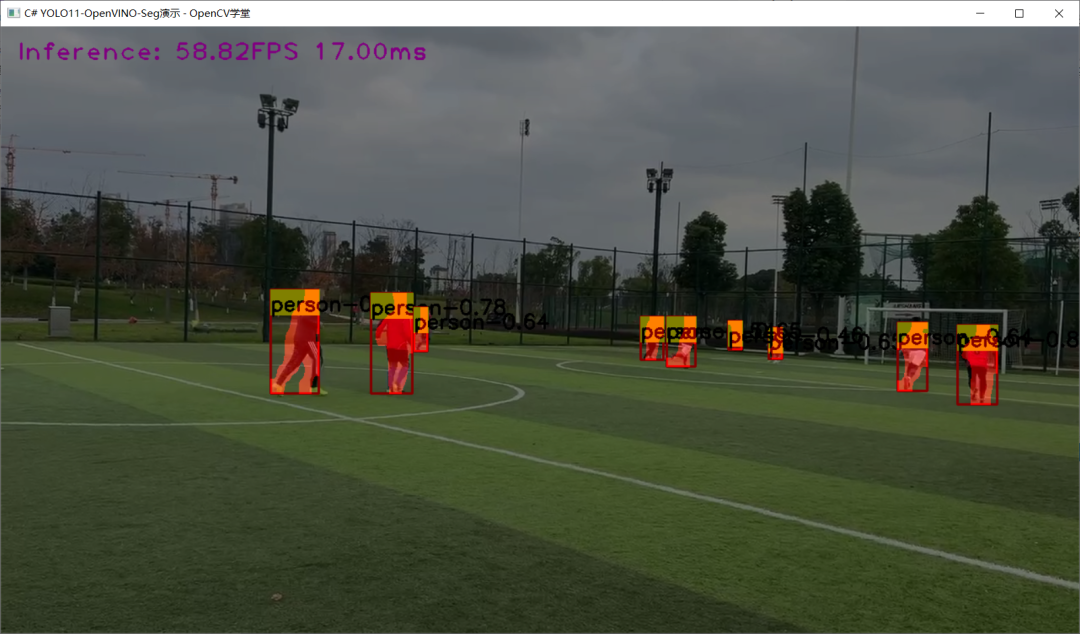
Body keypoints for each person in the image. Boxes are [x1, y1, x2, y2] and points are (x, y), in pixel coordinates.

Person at [271, 297, 327, 396]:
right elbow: (307, 318)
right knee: (318, 359)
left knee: (295, 362)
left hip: (301, 338)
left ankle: (278, 384)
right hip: (308, 340)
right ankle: (314, 386)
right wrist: (318, 323)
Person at [376, 315, 414, 393]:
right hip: (401, 346)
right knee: (405, 365)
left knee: (392, 366)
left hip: (390, 346)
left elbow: (380, 328)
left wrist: (379, 336)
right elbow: (407, 332)